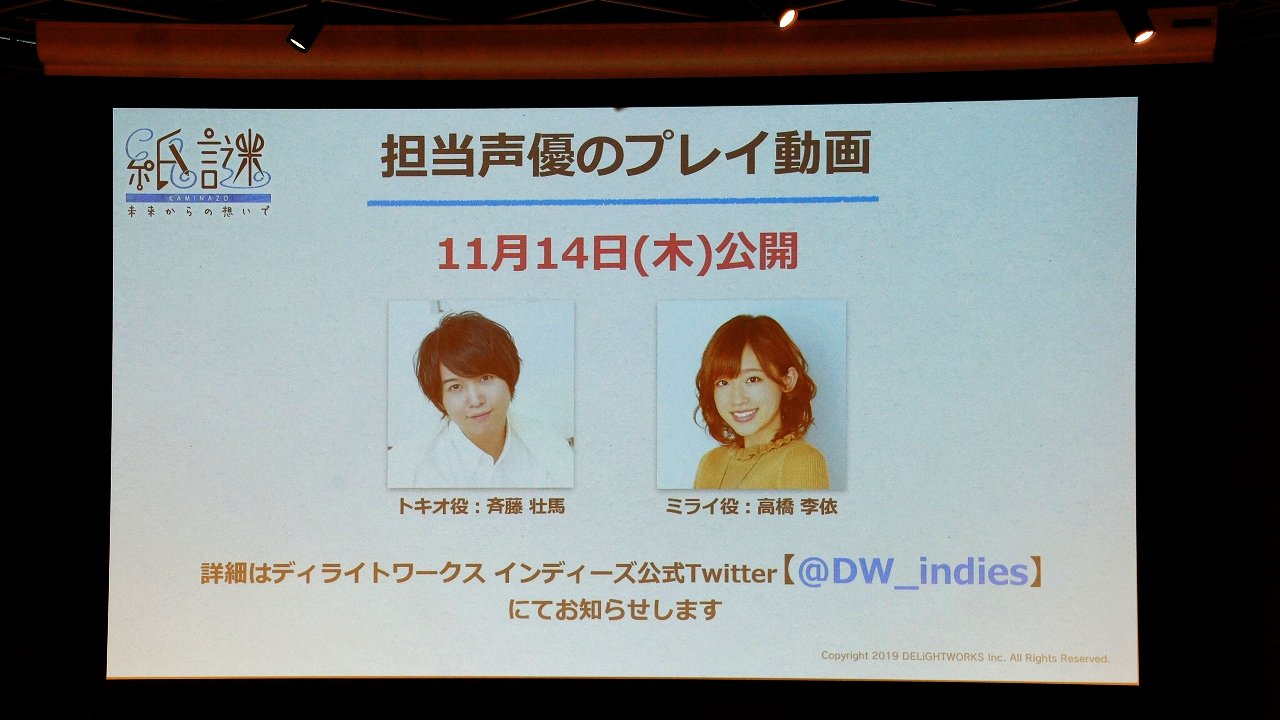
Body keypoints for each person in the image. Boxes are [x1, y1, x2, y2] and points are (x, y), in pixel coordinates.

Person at [411, 311, 573, 488]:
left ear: (509, 378)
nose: (475, 400)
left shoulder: (549, 452)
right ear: (440, 399)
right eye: (455, 387)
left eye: (485, 378)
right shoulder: (420, 472)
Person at [692, 314, 829, 490]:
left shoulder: (800, 460)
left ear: (787, 381)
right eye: (723, 382)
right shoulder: (711, 462)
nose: (737, 399)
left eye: (753, 379)